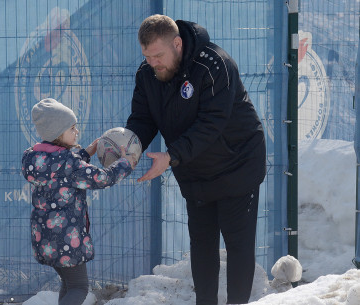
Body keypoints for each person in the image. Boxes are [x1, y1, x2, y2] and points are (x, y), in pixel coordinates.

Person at [125, 15, 267, 305]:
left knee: (238, 245)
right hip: (193, 170)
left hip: (238, 164)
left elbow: (210, 125)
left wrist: (171, 155)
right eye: (147, 56)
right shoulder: (147, 74)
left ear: (177, 44)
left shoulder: (215, 65)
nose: (152, 63)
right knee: (202, 245)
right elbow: (143, 119)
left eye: (158, 55)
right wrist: (127, 147)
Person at [22, 98, 136, 305]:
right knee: (79, 287)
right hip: (67, 239)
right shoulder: (70, 164)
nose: (77, 132)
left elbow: (60, 170)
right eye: (72, 128)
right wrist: (127, 162)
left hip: (45, 239)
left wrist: (85, 153)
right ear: (58, 132)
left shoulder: (33, 158)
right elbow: (103, 178)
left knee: (68, 284)